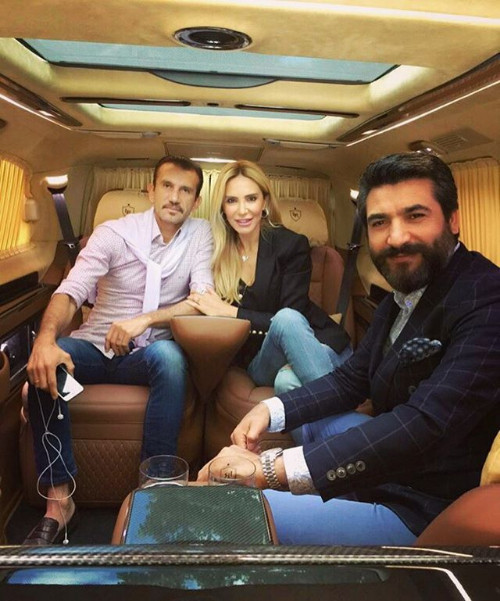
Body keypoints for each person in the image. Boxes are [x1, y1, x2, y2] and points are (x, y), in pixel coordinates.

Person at [198, 152, 500, 545]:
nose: (396, 237)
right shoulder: (401, 297)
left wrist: (269, 469)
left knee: (217, 511)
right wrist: (270, 410)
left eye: (415, 215)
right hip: (391, 469)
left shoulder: (486, 297)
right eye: (379, 222)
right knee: (300, 411)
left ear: (453, 220)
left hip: (421, 506)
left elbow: (425, 424)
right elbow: (351, 379)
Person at [24, 155, 213, 545]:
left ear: (195, 202)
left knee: (171, 358)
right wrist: (45, 341)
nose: (174, 197)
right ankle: (59, 503)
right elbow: (71, 292)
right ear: (150, 190)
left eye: (185, 191)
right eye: (167, 186)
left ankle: (155, 496)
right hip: (94, 350)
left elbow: (202, 300)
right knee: (49, 364)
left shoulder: (199, 235)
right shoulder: (114, 233)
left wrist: (144, 320)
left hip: (147, 356)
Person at [186, 159, 351, 397]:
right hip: (263, 360)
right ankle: (344, 406)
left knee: (286, 378)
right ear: (222, 207)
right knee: (284, 353)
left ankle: (337, 407)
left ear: (264, 202)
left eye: (251, 199)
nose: (242, 210)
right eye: (232, 201)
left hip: (319, 345)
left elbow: (292, 319)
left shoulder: (290, 245)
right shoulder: (215, 251)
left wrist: (229, 312)